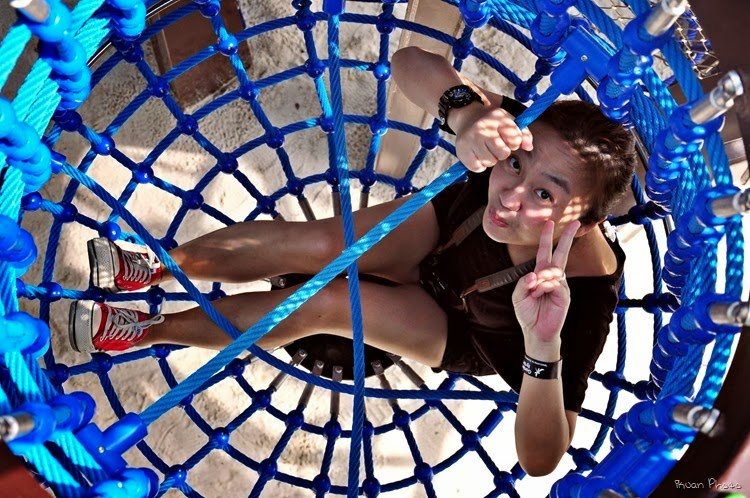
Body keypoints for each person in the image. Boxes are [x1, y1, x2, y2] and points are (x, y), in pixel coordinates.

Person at [67, 46, 635, 476]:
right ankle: (156, 268)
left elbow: (540, 458)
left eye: (544, 195)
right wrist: (465, 115)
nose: (510, 195)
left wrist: (542, 347)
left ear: (585, 224)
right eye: (515, 166)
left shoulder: (582, 297)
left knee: (324, 303)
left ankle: (147, 329)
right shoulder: (524, 137)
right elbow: (410, 62)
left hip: (459, 324)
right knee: (318, 244)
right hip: (442, 231)